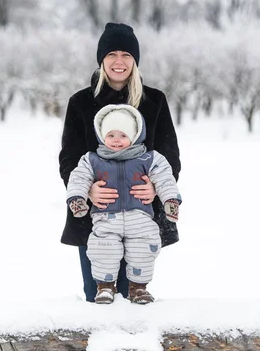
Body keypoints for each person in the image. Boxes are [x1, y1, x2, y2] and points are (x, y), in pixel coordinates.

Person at [58, 22, 182, 303]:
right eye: (112, 54)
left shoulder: (154, 101)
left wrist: (155, 190)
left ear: (135, 60)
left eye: (126, 55)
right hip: (96, 216)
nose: (119, 61)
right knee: (98, 296)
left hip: (142, 215)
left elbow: (169, 156)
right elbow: (69, 158)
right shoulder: (81, 102)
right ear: (102, 59)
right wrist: (87, 192)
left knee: (135, 294)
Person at [66, 104, 181, 304]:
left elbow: (165, 178)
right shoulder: (92, 159)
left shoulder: (149, 158)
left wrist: (170, 199)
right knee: (103, 248)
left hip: (140, 217)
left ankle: (138, 288)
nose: (116, 140)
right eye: (110, 135)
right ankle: (104, 287)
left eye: (122, 135)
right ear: (102, 136)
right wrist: (78, 198)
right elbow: (78, 178)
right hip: (106, 217)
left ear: (135, 135)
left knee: (144, 248)